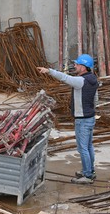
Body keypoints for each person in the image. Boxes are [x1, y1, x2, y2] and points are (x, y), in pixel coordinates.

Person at [37, 54, 98, 184]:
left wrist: (49, 71)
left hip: (82, 119)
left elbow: (65, 78)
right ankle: (90, 170)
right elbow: (95, 99)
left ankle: (87, 176)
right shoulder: (93, 79)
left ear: (83, 67)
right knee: (88, 146)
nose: (74, 66)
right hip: (90, 117)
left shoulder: (81, 81)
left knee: (83, 148)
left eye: (77, 64)